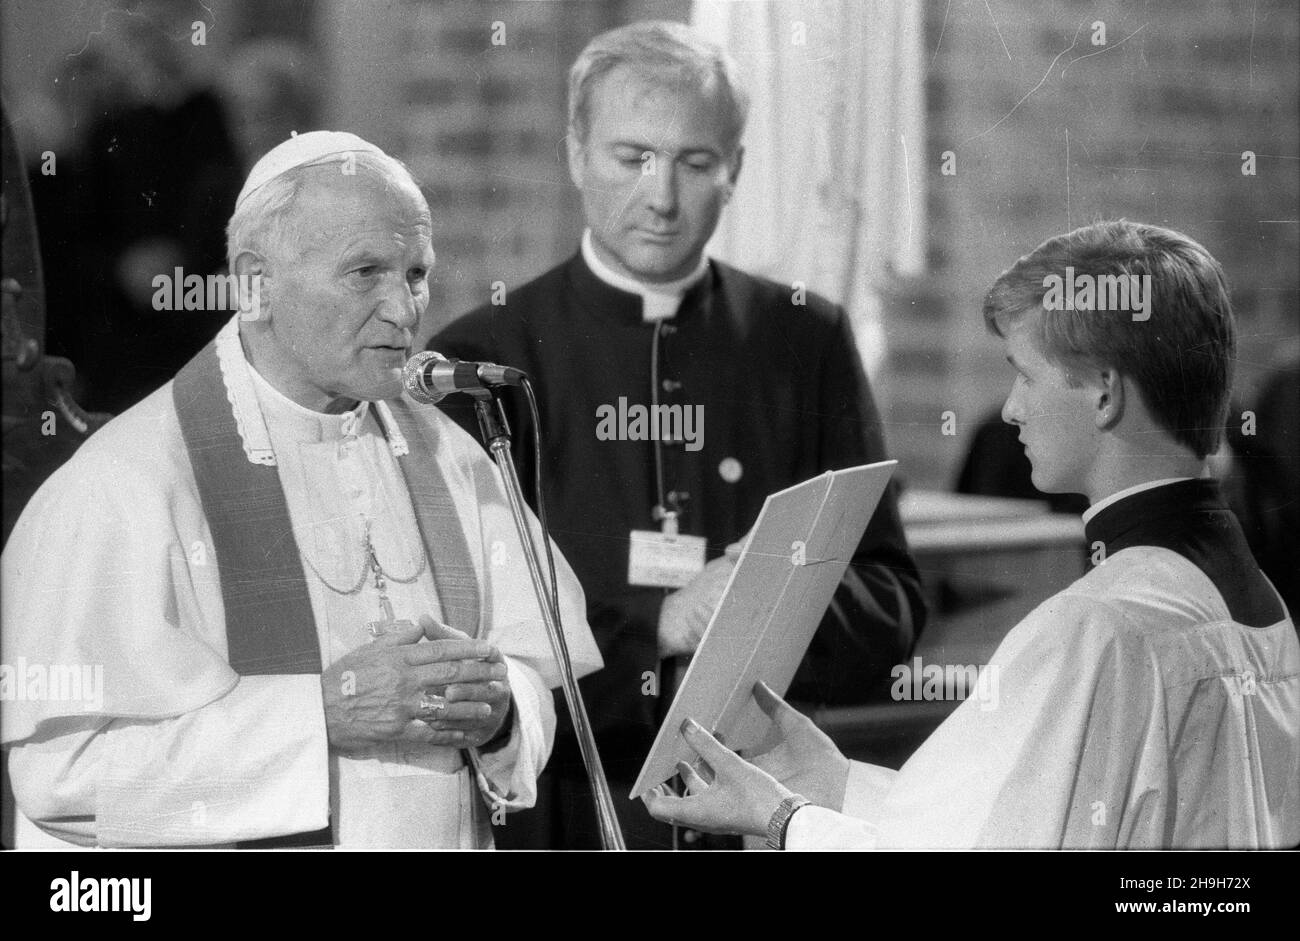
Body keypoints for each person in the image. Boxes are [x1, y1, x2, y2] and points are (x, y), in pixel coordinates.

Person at [0, 131, 602, 849]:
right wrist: (323, 715)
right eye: (365, 272)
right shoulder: (127, 482)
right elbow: (63, 775)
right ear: (254, 283)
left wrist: (502, 712)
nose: (405, 310)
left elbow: (535, 676)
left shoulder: (449, 454)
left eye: (416, 272)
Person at [644, 220, 1300, 849]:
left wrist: (781, 819)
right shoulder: (1263, 604)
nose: (1012, 407)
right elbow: (997, 822)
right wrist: (834, 781)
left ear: (1104, 394)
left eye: (1025, 372)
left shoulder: (1095, 627)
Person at [430, 20, 924, 849]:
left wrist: (758, 610)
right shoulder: (486, 357)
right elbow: (466, 626)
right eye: (632, 157)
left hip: (768, 808)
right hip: (572, 810)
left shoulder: (805, 340)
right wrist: (658, 624)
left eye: (695, 163)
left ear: (734, 170)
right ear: (576, 154)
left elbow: (892, 601)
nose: (661, 197)